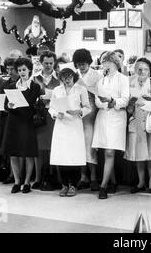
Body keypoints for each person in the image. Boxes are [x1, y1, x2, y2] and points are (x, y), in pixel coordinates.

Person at [1, 58, 41, 194]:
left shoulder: (35, 86)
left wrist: (20, 105)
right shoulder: (12, 86)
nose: (22, 72)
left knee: (28, 153)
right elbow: (6, 105)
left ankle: (27, 182)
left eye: (24, 69)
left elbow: (32, 105)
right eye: (19, 70)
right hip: (13, 121)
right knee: (14, 154)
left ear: (29, 70)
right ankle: (17, 181)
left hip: (26, 121)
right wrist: (9, 105)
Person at [92, 52, 129, 199]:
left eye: (107, 61)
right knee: (105, 151)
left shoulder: (123, 79)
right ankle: (113, 182)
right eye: (103, 62)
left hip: (117, 117)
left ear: (115, 63)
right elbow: (96, 100)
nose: (105, 65)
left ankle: (103, 186)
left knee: (110, 152)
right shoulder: (101, 80)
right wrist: (103, 103)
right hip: (103, 116)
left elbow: (125, 99)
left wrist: (112, 101)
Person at [49, 68, 91, 197]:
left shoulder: (80, 89)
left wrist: (79, 112)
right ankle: (64, 185)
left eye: (69, 77)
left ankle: (73, 184)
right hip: (61, 125)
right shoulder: (57, 90)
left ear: (74, 76)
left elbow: (87, 107)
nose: (67, 80)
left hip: (74, 125)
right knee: (62, 156)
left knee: (73, 156)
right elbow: (51, 107)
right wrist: (56, 114)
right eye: (64, 77)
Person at [124, 57, 151, 194]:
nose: (142, 72)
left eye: (146, 69)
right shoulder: (130, 84)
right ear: (135, 70)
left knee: (150, 153)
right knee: (137, 153)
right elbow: (127, 109)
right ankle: (141, 182)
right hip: (135, 121)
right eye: (140, 69)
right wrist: (132, 103)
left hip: (149, 120)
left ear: (150, 71)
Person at [73, 49, 102, 191]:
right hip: (76, 113)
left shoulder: (97, 75)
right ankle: (83, 176)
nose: (81, 66)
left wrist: (85, 87)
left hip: (90, 111)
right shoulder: (74, 75)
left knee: (90, 145)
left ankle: (93, 177)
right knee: (78, 145)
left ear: (89, 62)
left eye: (84, 63)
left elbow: (99, 93)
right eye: (79, 64)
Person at [32, 51, 60, 191]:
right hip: (40, 115)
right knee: (40, 148)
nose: (48, 66)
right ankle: (40, 177)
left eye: (51, 63)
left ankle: (53, 177)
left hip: (54, 115)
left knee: (53, 147)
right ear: (41, 63)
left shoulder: (60, 77)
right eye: (46, 63)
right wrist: (38, 99)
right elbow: (30, 95)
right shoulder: (35, 78)